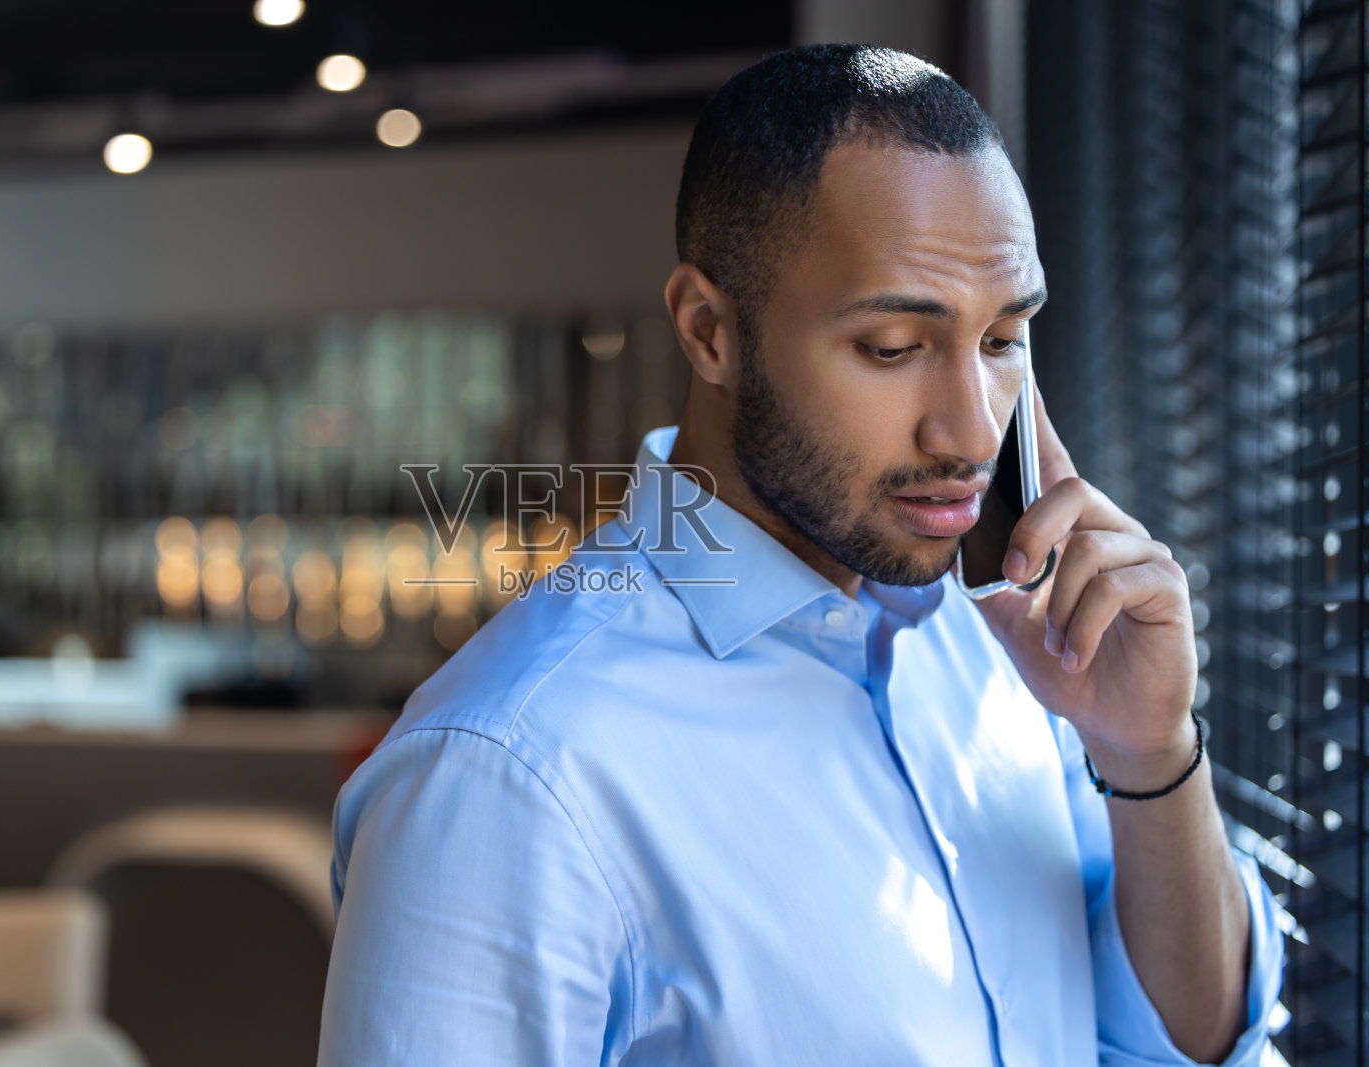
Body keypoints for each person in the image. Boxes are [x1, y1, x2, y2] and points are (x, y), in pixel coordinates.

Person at [317, 43, 1284, 1066]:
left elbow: (1178, 1045)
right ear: (708, 330)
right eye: (892, 347)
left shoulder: (1011, 653)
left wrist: (1148, 753)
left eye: (1002, 340)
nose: (967, 430)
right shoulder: (504, 774)